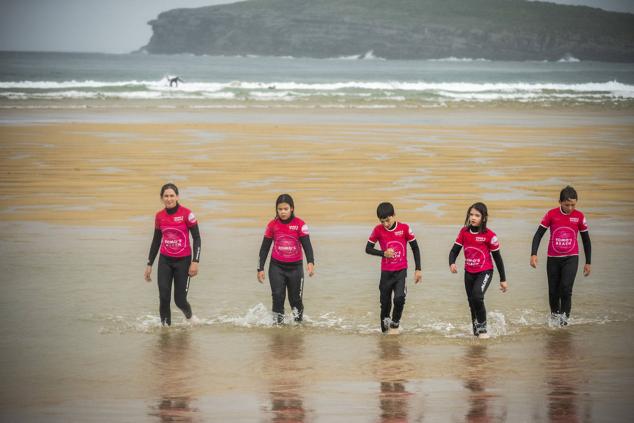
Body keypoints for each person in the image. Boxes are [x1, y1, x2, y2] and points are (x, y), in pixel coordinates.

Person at [530, 186, 591, 326]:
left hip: (571, 257)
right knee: (553, 292)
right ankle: (554, 320)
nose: (570, 208)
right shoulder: (551, 214)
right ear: (560, 202)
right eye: (567, 204)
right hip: (553, 259)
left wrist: (588, 262)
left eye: (573, 205)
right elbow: (538, 234)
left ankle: (563, 323)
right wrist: (533, 254)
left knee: (566, 288)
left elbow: (586, 240)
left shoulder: (579, 216)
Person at [144, 183, 201, 326]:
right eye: (166, 196)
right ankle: (165, 331)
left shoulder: (187, 214)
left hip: (184, 261)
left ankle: (189, 317)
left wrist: (195, 261)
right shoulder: (159, 216)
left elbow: (197, 238)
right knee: (163, 297)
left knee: (180, 300)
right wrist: (149, 264)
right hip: (165, 261)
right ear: (162, 198)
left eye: (171, 196)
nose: (169, 199)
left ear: (177, 197)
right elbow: (156, 241)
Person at [449, 202, 508, 338]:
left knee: (477, 296)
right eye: (471, 215)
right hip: (468, 272)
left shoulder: (489, 235)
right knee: (472, 302)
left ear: (484, 218)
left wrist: (503, 279)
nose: (473, 218)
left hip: (485, 271)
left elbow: (498, 258)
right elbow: (454, 250)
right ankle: (476, 333)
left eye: (477, 215)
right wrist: (451, 263)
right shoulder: (464, 232)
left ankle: (483, 330)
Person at [257, 194, 315, 324]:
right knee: (277, 298)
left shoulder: (300, 224)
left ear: (292, 209)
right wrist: (260, 268)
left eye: (286, 209)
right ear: (276, 210)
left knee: (296, 300)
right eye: (280, 209)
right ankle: (278, 330)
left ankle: (298, 327)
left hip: (296, 268)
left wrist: (310, 262)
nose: (283, 212)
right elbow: (264, 248)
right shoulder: (272, 225)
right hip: (276, 267)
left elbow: (307, 246)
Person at [366, 202, 422, 333]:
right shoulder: (378, 230)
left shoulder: (404, 228)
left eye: (388, 220)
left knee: (399, 298)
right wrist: (383, 253)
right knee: (385, 305)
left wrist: (418, 269)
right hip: (386, 273)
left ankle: (395, 324)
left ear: (394, 215)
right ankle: (385, 337)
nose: (386, 224)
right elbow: (368, 249)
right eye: (382, 221)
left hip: (401, 272)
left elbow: (415, 248)